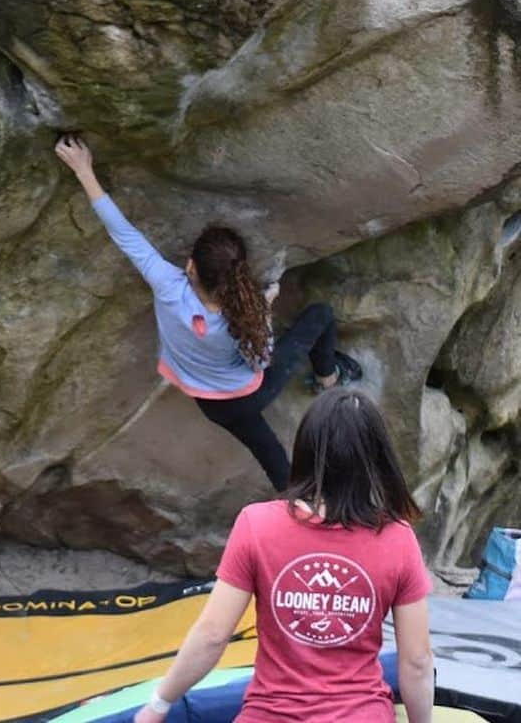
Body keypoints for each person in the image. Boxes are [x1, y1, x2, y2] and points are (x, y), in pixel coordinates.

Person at [55, 135, 361, 490]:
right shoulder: (243, 320)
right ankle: (327, 378)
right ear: (240, 274)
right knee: (320, 315)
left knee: (270, 452)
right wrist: (266, 305)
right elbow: (262, 362)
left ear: (190, 268)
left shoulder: (166, 286)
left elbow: (124, 233)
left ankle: (298, 509)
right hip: (247, 394)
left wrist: (84, 170)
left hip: (209, 402)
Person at [133, 388, 434, 723]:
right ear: (378, 460)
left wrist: (158, 705)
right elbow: (418, 661)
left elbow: (212, 635)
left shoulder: (256, 524)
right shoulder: (397, 538)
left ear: (304, 450)